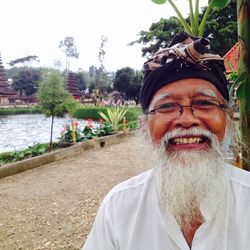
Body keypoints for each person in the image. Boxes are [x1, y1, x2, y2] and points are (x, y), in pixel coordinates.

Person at [82, 32, 249, 250]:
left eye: (204, 102)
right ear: (145, 126)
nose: (187, 120)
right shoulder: (118, 208)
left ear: (227, 119)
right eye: (166, 106)